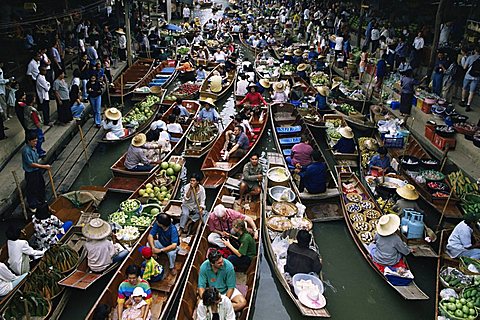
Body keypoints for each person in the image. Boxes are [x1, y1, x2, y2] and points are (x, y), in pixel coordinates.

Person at [22, 131, 50, 210]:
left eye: (36, 141)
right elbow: (31, 164)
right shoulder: (26, 151)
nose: (35, 143)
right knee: (32, 189)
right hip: (31, 172)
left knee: (41, 185)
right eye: (34, 141)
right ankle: (32, 205)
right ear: (29, 141)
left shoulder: (33, 149)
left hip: (37, 170)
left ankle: (41, 200)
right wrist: (44, 166)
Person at [460, 46, 480, 112]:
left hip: (468, 75)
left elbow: (464, 67)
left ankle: (462, 101)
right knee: (472, 92)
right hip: (476, 77)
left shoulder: (470, 57)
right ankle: (468, 105)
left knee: (464, 88)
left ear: (475, 50)